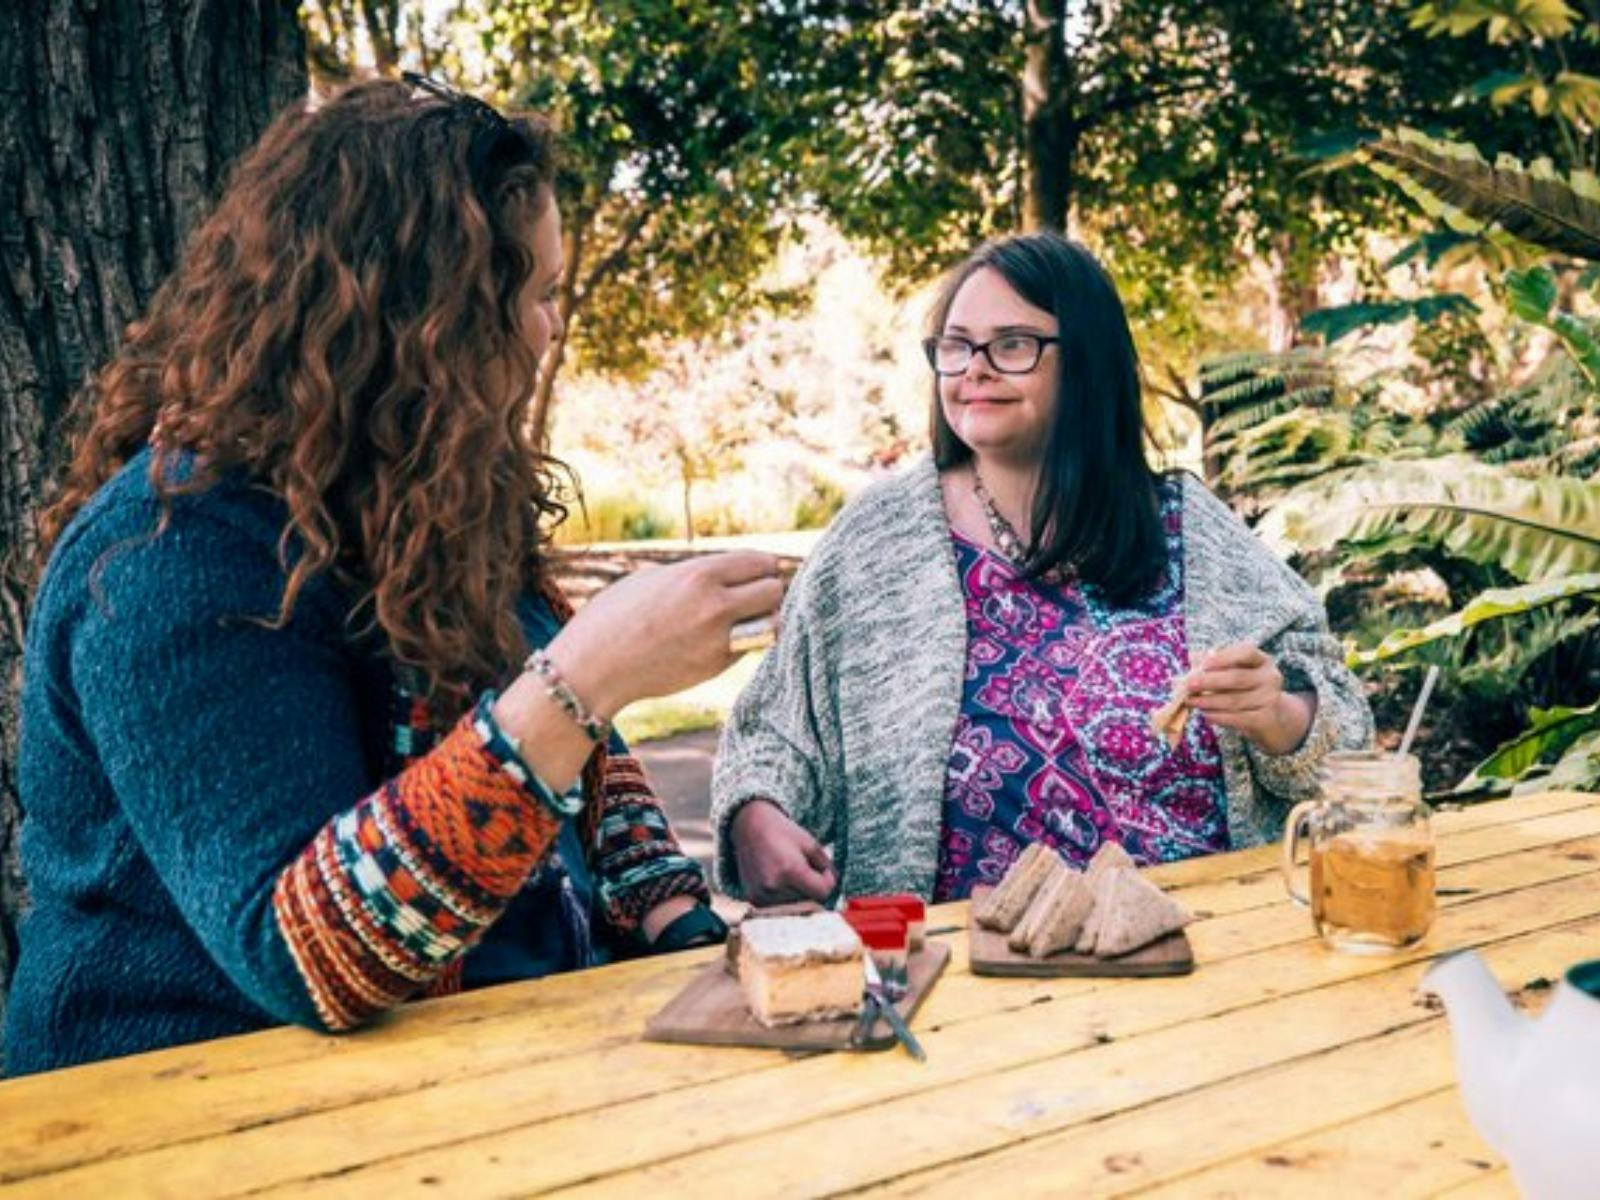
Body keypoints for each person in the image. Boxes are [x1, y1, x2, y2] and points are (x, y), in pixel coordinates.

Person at [5, 76, 782, 1076]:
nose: (551, 330)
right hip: (189, 1116)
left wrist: (670, 911)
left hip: (475, 1076)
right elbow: (307, 951)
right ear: (427, 315)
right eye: (536, 294)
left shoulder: (424, 493)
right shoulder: (171, 554)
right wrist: (589, 674)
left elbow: (580, 765)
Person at [711, 232, 1372, 906]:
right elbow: (772, 727)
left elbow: (1348, 737)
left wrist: (1278, 715)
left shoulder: (1187, 526)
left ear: (1086, 362)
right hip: (959, 972)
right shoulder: (876, 542)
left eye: (1012, 345)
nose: (974, 368)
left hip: (1194, 948)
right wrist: (753, 815)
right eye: (956, 345)